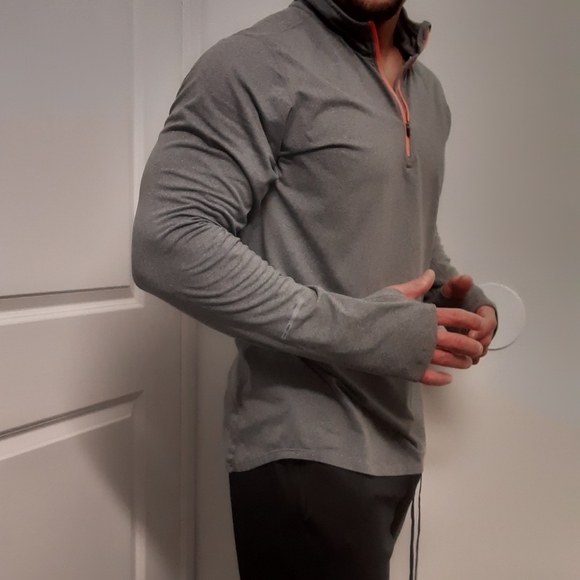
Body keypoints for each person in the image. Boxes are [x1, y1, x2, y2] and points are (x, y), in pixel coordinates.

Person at [131, 0, 498, 578]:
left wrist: (452, 296)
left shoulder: (430, 93)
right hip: (301, 449)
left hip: (396, 444)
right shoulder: (254, 63)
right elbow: (168, 241)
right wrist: (369, 331)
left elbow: (408, 232)